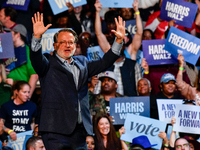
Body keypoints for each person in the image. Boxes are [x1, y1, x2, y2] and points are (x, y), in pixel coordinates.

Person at [30, 12, 125, 149]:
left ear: (75, 46)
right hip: (55, 129)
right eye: (63, 42)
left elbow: (105, 62)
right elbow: (35, 57)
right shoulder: (47, 63)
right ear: (55, 46)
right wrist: (37, 37)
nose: (67, 45)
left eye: (70, 42)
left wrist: (118, 41)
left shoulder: (83, 63)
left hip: (79, 131)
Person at [94, 0, 142, 96]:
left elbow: (139, 33)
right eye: (116, 45)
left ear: (124, 46)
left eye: (120, 44)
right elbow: (99, 34)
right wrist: (97, 12)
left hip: (128, 104)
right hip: (108, 105)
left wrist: (136, 11)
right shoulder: (108, 53)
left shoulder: (131, 53)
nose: (118, 47)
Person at [4, 24, 38, 98]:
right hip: (8, 92)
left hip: (20, 94)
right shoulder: (9, 51)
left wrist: (27, 97)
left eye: (11, 33)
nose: (8, 36)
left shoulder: (28, 52)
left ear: (18, 35)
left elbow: (34, 76)